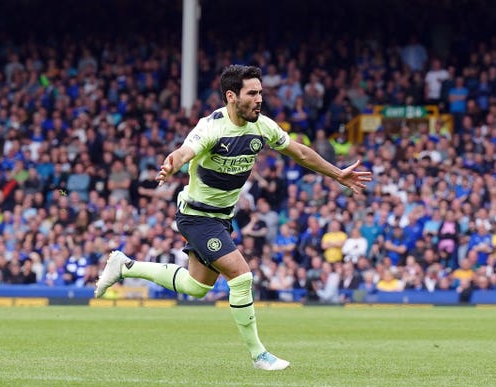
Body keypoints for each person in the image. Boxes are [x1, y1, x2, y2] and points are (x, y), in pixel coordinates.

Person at [94, 65, 371, 370]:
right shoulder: (211, 127)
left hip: (222, 217)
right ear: (231, 96)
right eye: (252, 93)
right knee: (242, 277)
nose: (259, 99)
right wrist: (171, 165)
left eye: (260, 92)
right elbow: (185, 151)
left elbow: (300, 153)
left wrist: (337, 174)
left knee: (196, 287)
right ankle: (259, 355)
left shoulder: (261, 126)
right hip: (197, 216)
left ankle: (125, 266)